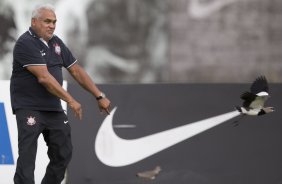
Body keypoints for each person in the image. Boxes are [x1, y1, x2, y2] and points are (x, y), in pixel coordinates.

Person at [10, 4, 111, 184]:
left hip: (53, 108)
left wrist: (99, 95)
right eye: (47, 21)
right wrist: (71, 100)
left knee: (63, 154)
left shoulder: (56, 43)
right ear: (34, 22)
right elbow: (44, 78)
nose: (52, 25)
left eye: (54, 22)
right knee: (27, 158)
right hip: (29, 108)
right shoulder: (25, 43)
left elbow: (76, 71)